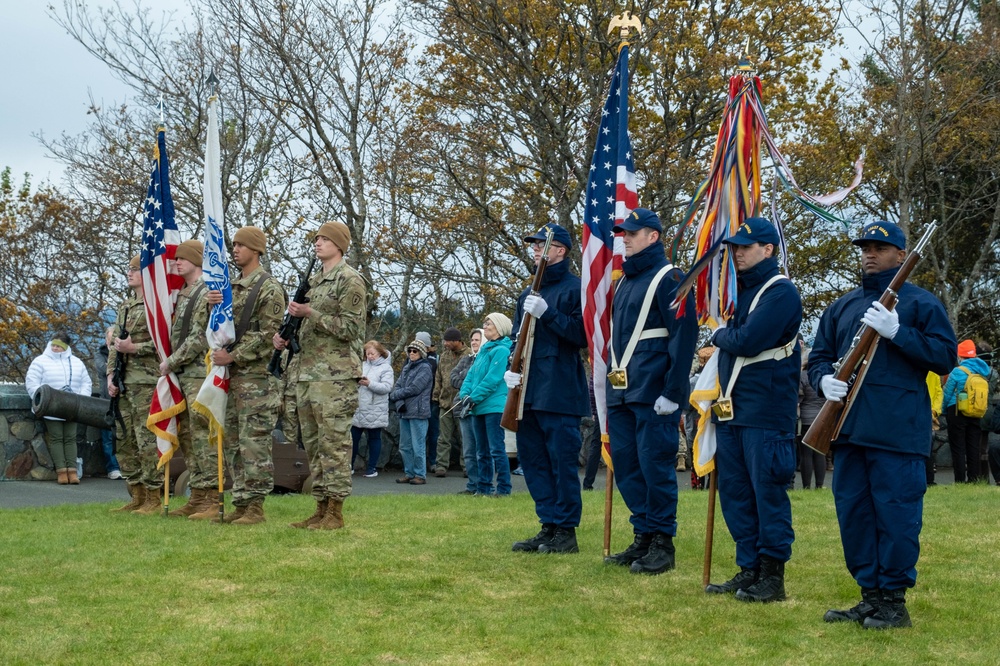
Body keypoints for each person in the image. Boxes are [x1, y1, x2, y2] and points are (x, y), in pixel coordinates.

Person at [809, 220, 956, 629]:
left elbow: (945, 357)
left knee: (895, 517)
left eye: (879, 247)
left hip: (896, 432)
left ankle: (893, 602)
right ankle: (869, 597)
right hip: (849, 430)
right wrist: (822, 380)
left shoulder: (921, 304)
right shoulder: (842, 306)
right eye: (865, 247)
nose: (869, 253)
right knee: (854, 517)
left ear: (900, 254)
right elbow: (820, 356)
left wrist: (898, 333)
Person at [705, 217, 801, 601]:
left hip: (765, 410)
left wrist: (717, 334)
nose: (738, 253)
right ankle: (749, 568)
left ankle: (772, 575)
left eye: (746, 246)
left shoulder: (781, 292)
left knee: (767, 494)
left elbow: (748, 340)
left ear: (769, 249)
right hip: (733, 410)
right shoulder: (738, 293)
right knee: (736, 493)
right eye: (736, 247)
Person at [604, 208, 698, 574]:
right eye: (623, 232)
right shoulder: (625, 281)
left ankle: (662, 541)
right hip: (623, 390)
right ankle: (642, 533)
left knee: (654, 465)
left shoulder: (669, 276)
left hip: (654, 390)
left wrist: (674, 391)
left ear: (653, 236)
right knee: (627, 465)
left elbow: (683, 335)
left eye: (632, 232)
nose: (624, 237)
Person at [275, 221, 367, 530]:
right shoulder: (313, 282)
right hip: (307, 375)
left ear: (340, 245)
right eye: (317, 238)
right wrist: (286, 335)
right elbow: (304, 327)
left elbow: (351, 329)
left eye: (325, 239)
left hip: (336, 377)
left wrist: (310, 313)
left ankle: (336, 512)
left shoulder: (350, 280)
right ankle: (320, 506)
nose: (318, 243)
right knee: (313, 446)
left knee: (334, 446)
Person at [505, 222, 589, 554]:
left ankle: (566, 531)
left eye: (543, 244)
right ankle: (548, 524)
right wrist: (510, 371)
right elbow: (517, 337)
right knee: (535, 462)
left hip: (560, 390)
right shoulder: (527, 293)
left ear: (560, 250)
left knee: (561, 462)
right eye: (535, 245)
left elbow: (582, 335)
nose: (536, 249)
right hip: (527, 391)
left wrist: (549, 313)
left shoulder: (576, 289)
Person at [206, 227, 286, 525]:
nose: (235, 249)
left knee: (254, 442)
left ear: (257, 249)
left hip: (257, 379)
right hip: (231, 377)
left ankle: (255, 506)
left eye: (241, 245)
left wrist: (234, 356)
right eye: (234, 245)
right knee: (233, 442)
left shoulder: (268, 287)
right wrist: (211, 305)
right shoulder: (231, 286)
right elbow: (220, 327)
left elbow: (269, 334)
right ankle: (240, 501)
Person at [159, 239, 216, 517]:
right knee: (188, 436)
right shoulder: (183, 292)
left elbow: (198, 338)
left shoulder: (205, 291)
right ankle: (198, 495)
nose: (177, 262)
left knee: (202, 435)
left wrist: (171, 361)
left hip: (197, 372)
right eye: (177, 258)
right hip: (183, 374)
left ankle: (211, 497)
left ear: (196, 260)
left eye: (183, 258)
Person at [107, 255, 165, 513]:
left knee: (146, 439)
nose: (129, 273)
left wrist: (135, 348)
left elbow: (164, 343)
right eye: (128, 269)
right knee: (124, 438)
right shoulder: (127, 306)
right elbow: (114, 346)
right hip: (124, 382)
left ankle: (153, 495)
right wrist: (110, 375)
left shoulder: (155, 305)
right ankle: (137, 493)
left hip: (146, 381)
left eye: (134, 270)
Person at [25, 332, 92, 484]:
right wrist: (42, 400)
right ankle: (61, 471)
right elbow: (32, 382)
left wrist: (81, 400)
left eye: (58, 346)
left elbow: (86, 382)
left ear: (66, 347)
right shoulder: (40, 361)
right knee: (56, 438)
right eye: (53, 345)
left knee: (70, 438)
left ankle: (72, 471)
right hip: (51, 408)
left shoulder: (76, 362)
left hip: (72, 408)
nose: (54, 348)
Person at [458, 313, 513, 497]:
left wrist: (473, 397)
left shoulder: (502, 351)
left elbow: (493, 379)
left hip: (493, 407)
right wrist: (465, 395)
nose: (485, 326)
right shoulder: (483, 351)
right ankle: (483, 487)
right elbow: (470, 376)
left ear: (499, 326)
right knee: (481, 451)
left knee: (496, 449)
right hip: (478, 407)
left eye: (488, 323)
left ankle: (504, 488)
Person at [942, 340, 990, 483]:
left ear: (960, 356)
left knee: (958, 447)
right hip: (975, 412)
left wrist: (943, 410)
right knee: (973, 447)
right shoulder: (982, 371)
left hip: (957, 411)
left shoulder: (958, 371)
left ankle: (960, 480)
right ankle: (974, 479)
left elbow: (948, 393)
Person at [389, 338, 434, 485]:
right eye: (409, 350)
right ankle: (409, 473)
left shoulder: (425, 368)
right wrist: (399, 400)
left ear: (421, 353)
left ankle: (420, 475)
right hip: (405, 412)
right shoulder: (407, 367)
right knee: (404, 446)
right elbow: (397, 386)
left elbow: (415, 388)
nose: (411, 353)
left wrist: (396, 395)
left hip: (419, 412)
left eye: (415, 351)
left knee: (418, 445)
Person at [431, 327, 471, 477]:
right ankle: (441, 466)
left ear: (457, 341)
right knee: (443, 437)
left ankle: (467, 466)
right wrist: (436, 396)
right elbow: (438, 377)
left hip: (461, 403)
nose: (445, 343)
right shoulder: (444, 356)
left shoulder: (469, 355)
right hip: (445, 403)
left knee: (464, 437)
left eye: (448, 341)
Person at [352, 341, 394, 478]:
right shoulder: (362, 365)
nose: (369, 356)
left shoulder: (386, 368)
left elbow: (387, 388)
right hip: (359, 408)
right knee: (353, 438)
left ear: (380, 353)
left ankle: (372, 468)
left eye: (372, 354)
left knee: (374, 438)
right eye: (367, 354)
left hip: (375, 409)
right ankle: (349, 466)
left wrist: (369, 384)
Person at [451, 328, 482, 494]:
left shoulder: (488, 358)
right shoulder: (466, 359)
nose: (474, 342)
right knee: (468, 451)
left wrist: (467, 377)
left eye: (477, 339)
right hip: (463, 409)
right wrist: (468, 375)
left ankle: (484, 486)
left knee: (481, 451)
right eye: (473, 340)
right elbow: (453, 378)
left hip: (480, 409)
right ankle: (472, 486)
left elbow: (480, 380)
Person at [94, 326, 122, 480]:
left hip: (122, 400)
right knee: (107, 437)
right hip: (106, 400)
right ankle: (113, 467)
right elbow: (104, 368)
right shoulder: (99, 355)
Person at [798, 349, 827, 489]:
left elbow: (799, 397)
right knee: (820, 452)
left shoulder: (803, 376)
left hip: (806, 418)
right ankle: (820, 485)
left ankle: (806, 486)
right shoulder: (824, 376)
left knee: (806, 454)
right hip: (822, 419)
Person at [417, 331, 440, 468]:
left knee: (433, 433)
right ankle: (420, 463)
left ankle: (433, 461)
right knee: (419, 434)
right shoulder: (411, 357)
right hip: (417, 401)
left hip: (431, 400)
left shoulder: (436, 359)